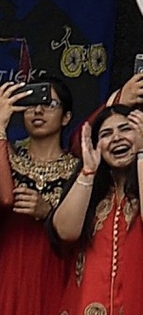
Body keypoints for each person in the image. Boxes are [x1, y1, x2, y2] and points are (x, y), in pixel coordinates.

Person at [0, 78, 79, 315]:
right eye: (31, 103)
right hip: (10, 267)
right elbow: (5, 197)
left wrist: (49, 213)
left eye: (50, 104)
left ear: (66, 117)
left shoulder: (79, 169)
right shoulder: (8, 160)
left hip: (55, 267)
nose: (38, 110)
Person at [50, 105, 143, 314]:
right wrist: (88, 171)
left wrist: (142, 154)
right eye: (106, 134)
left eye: (126, 129)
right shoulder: (91, 189)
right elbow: (65, 232)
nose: (117, 138)